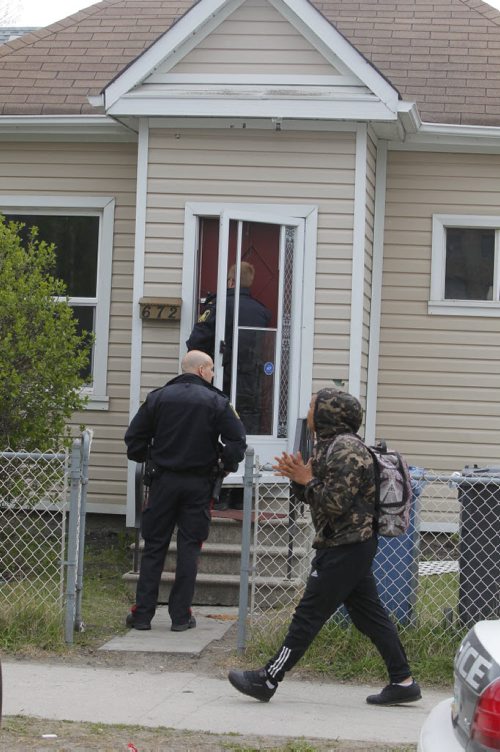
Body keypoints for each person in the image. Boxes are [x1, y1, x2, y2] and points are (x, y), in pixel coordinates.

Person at [227, 387, 421, 706]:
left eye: (313, 405)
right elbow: (312, 498)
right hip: (343, 543)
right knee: (369, 616)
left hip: (347, 545)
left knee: (308, 614)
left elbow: (334, 504)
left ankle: (268, 678)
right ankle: (403, 681)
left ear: (330, 412)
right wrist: (297, 478)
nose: (309, 412)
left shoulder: (347, 449)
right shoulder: (328, 446)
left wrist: (306, 479)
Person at [124, 350, 246, 632]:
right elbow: (237, 441)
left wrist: (149, 457)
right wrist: (224, 466)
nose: (213, 374)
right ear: (202, 369)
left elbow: (134, 439)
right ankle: (181, 617)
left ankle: (142, 616)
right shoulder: (218, 401)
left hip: (162, 483)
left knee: (154, 548)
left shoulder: (157, 398)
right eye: (212, 369)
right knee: (189, 549)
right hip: (198, 485)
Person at [186, 261, 271, 435]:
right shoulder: (262, 312)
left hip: (219, 379)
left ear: (231, 282)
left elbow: (196, 342)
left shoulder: (219, 306)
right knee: (245, 427)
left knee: (215, 423)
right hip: (251, 382)